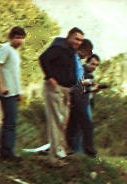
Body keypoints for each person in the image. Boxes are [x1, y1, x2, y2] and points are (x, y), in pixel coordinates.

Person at [38, 27, 84, 166]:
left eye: (81, 40)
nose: (78, 42)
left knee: (63, 122)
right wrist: (50, 77)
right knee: (56, 121)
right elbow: (43, 58)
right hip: (55, 88)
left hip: (66, 89)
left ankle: (61, 151)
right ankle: (55, 157)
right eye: (76, 39)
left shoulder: (71, 51)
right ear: (69, 36)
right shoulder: (58, 47)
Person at [0, 26, 27, 161]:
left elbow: (13, 74)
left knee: (10, 120)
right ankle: (6, 153)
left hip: (13, 92)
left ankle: (6, 151)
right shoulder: (5, 48)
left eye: (22, 38)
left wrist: (18, 92)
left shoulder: (14, 52)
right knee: (10, 121)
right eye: (17, 38)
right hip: (6, 92)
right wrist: (2, 86)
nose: (20, 41)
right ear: (11, 38)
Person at [67, 52, 100, 157]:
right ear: (87, 62)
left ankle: (78, 152)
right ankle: (84, 151)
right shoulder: (81, 71)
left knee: (77, 128)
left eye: (96, 65)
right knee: (84, 127)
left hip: (84, 104)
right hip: (77, 103)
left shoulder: (90, 74)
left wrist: (92, 90)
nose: (94, 67)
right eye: (92, 64)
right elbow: (77, 87)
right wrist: (90, 89)